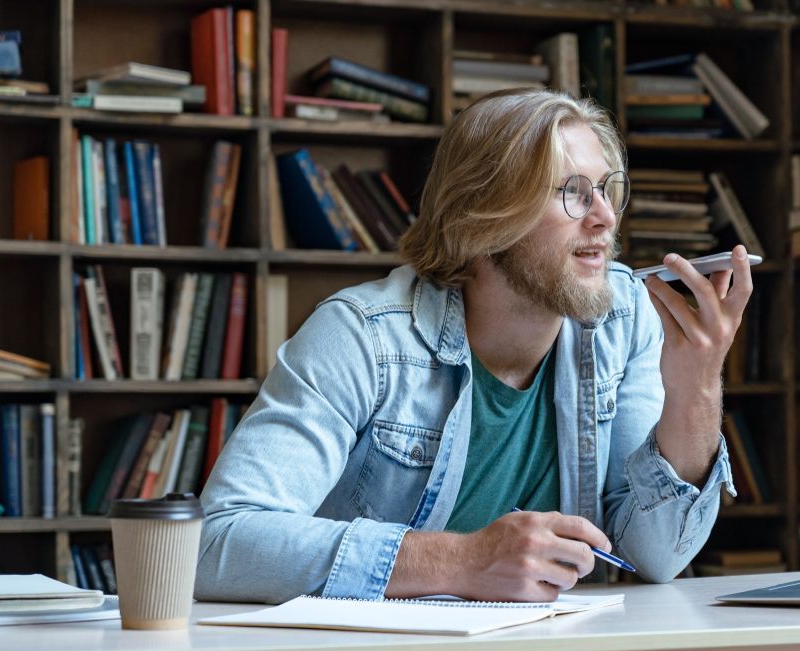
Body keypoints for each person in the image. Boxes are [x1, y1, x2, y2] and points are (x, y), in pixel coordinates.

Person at [195, 88, 752, 604]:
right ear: (484, 216)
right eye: (573, 194)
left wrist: (697, 385)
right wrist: (462, 560)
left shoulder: (623, 320)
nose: (606, 218)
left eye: (608, 190)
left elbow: (657, 557)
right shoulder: (362, 335)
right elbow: (218, 544)